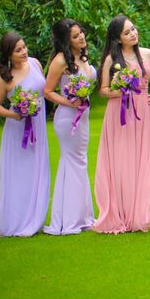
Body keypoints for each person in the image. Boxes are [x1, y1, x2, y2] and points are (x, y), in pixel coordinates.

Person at [93, 15, 150, 234]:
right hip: (119, 113)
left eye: (134, 29)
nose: (134, 34)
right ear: (119, 38)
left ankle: (138, 214)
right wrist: (119, 90)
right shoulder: (112, 59)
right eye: (127, 32)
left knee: (141, 161)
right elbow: (102, 90)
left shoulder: (147, 54)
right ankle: (118, 213)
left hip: (144, 113)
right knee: (121, 162)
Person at [0, 32, 50, 236]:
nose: (24, 52)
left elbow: (44, 90)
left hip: (38, 126)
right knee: (20, 173)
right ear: (8, 54)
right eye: (18, 50)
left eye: (24, 47)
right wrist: (15, 114)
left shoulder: (35, 63)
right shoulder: (4, 79)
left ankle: (36, 216)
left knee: (37, 170)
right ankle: (17, 219)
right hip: (18, 130)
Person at [43, 19, 96, 235]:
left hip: (82, 118)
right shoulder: (59, 61)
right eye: (75, 36)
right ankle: (70, 219)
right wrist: (69, 101)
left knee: (80, 162)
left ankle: (82, 216)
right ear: (66, 40)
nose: (81, 37)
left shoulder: (81, 58)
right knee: (72, 162)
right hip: (67, 118)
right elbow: (48, 91)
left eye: (81, 32)